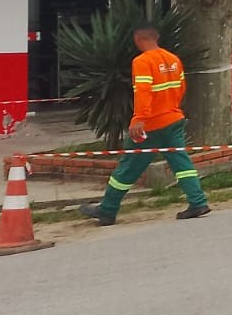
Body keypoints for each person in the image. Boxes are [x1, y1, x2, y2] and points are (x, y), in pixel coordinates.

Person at [80, 25, 210, 225]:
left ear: (138, 40)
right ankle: (198, 201)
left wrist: (138, 118)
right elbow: (181, 88)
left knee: (128, 166)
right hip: (173, 119)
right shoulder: (173, 60)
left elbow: (143, 90)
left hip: (150, 125)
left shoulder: (142, 61)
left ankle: (107, 210)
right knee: (182, 164)